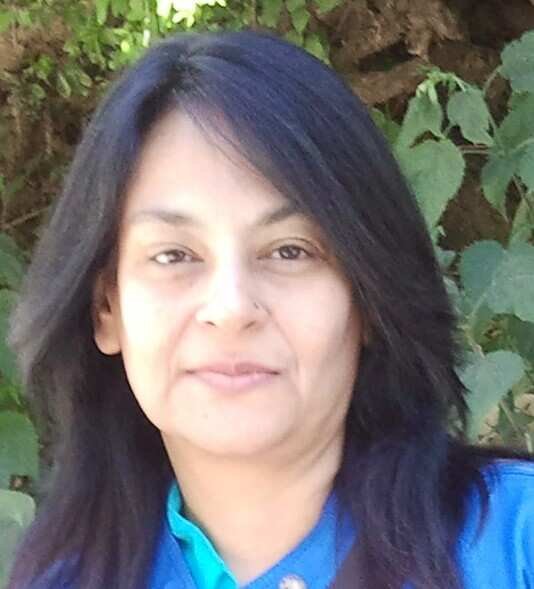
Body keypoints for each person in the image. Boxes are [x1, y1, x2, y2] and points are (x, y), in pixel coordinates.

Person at [5, 29, 533, 589]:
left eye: (289, 251)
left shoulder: (515, 542)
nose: (231, 308)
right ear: (106, 309)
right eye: (174, 255)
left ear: (368, 298)